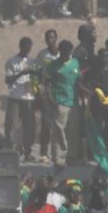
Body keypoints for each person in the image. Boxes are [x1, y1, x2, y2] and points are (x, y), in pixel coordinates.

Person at [44, 39, 79, 168]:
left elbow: (79, 80)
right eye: (63, 52)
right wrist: (51, 98)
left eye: (67, 52)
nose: (65, 54)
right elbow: (47, 83)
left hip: (73, 102)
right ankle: (58, 158)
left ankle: (72, 157)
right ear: (60, 51)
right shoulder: (53, 65)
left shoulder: (75, 63)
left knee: (73, 131)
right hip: (60, 101)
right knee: (59, 131)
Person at [5, 37, 37, 161]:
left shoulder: (32, 61)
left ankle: (28, 152)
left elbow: (37, 77)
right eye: (26, 47)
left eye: (29, 47)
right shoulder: (11, 61)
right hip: (15, 97)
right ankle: (11, 150)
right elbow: (8, 80)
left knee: (29, 126)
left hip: (29, 97)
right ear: (21, 46)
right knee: (11, 124)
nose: (28, 50)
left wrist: (35, 74)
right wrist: (22, 73)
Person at [35, 29, 61, 162]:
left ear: (56, 38)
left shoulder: (62, 53)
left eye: (52, 37)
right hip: (46, 90)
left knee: (60, 122)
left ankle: (60, 153)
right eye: (47, 38)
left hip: (60, 90)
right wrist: (38, 86)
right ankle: (44, 153)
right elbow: (37, 71)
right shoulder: (42, 54)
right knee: (46, 122)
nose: (50, 40)